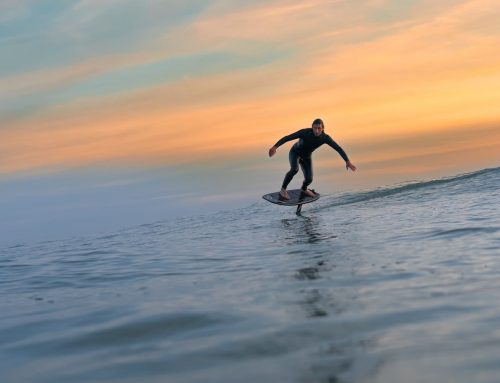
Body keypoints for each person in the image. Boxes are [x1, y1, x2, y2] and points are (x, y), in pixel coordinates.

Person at [268, 118, 356, 199]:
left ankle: (304, 189)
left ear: (323, 128)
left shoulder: (325, 138)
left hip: (306, 156)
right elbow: (288, 138)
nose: (317, 131)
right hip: (295, 153)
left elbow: (338, 148)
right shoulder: (304, 132)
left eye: (319, 128)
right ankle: (283, 189)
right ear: (312, 128)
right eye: (315, 128)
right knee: (294, 169)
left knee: (309, 179)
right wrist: (275, 147)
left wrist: (347, 161)